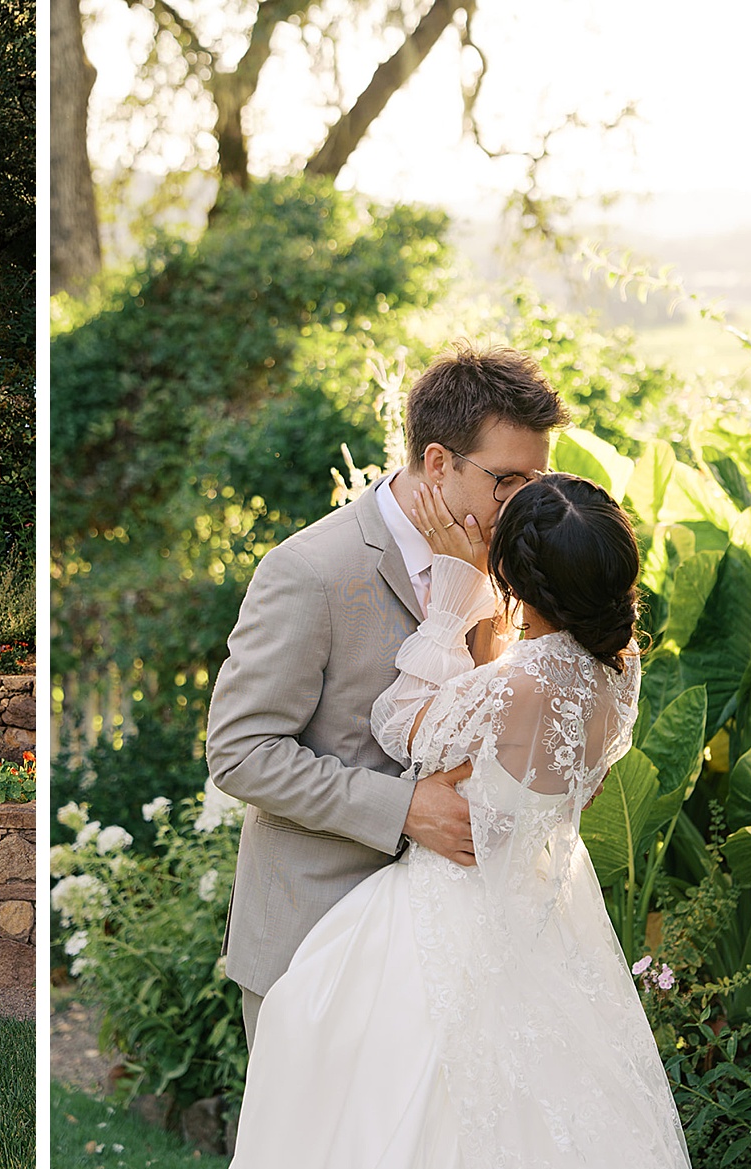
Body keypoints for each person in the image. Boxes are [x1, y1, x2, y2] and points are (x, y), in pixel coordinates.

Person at [186, 473, 720, 1169]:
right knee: (538, 1133)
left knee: (378, 1100)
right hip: (540, 915)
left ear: (518, 582)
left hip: (452, 905)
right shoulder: (618, 671)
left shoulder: (519, 682)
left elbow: (399, 723)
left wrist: (451, 604)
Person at [205, 344, 568, 1045]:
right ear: (438, 463)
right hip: (316, 940)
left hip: (455, 943)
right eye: (507, 479)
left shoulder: (507, 558)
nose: (525, 501)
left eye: (537, 479)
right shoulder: (310, 569)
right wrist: (404, 809)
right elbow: (240, 753)